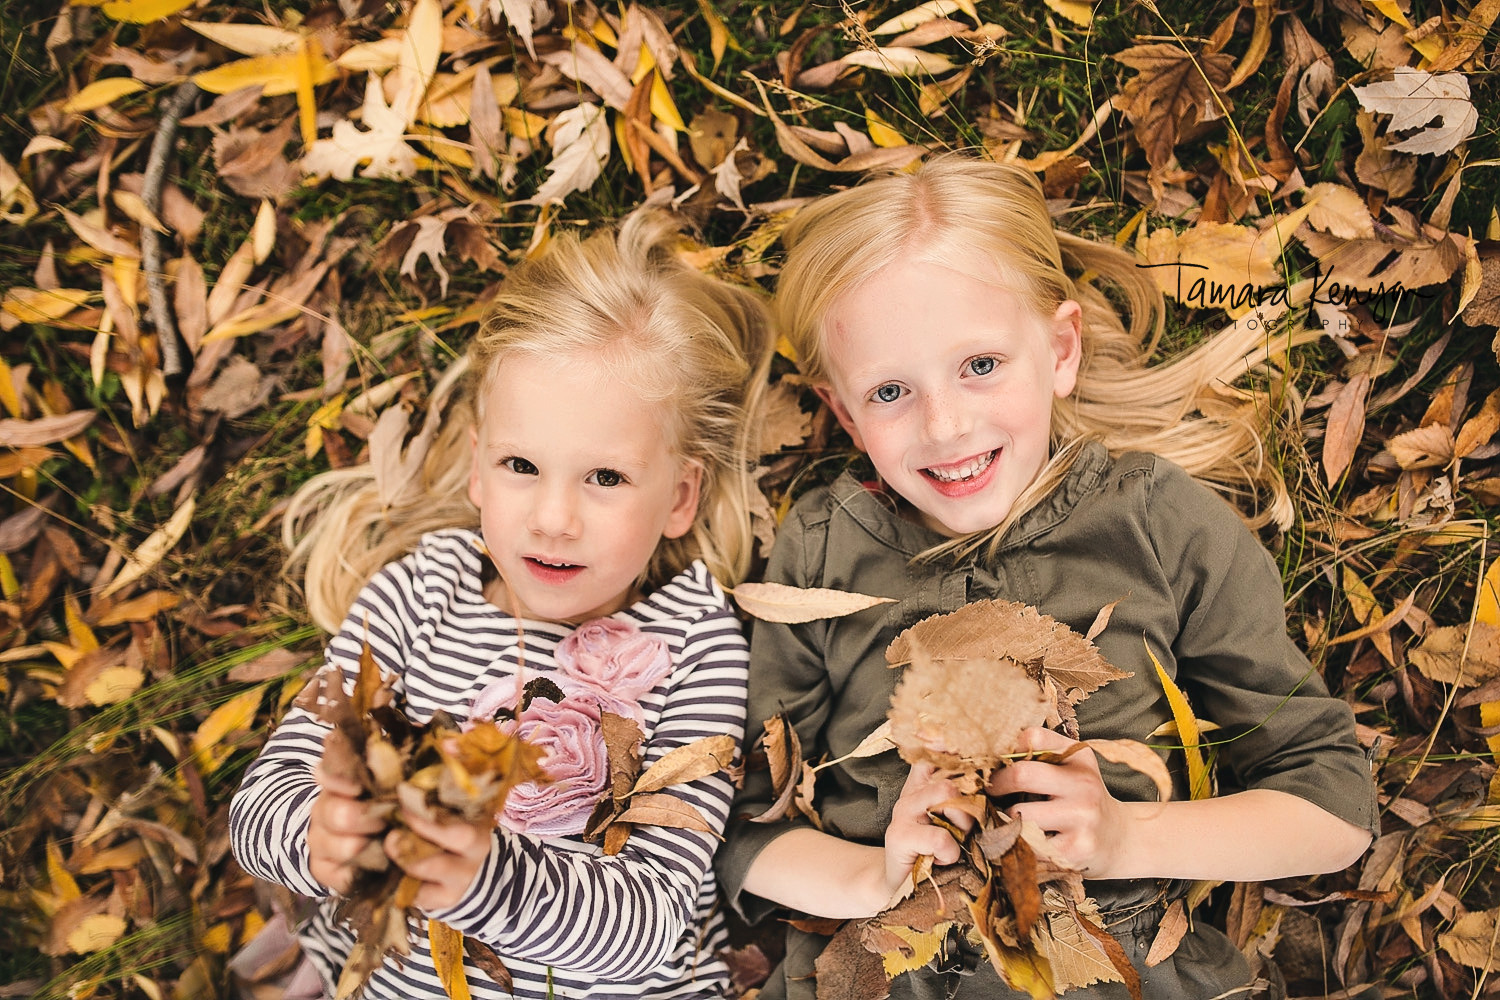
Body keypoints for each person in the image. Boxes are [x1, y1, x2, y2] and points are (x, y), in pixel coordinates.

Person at [716, 156, 1377, 999]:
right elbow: (742, 834)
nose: (945, 424)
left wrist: (1126, 840)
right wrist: (878, 878)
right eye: (890, 391)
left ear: (1059, 350)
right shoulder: (818, 550)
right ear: (843, 411)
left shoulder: (1153, 521)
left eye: (981, 365)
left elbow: (1334, 808)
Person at [230, 210, 773, 1000]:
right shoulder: (422, 594)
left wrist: (488, 878)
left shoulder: (694, 642)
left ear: (681, 496)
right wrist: (316, 838)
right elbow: (263, 801)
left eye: (606, 478)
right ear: (479, 470)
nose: (554, 517)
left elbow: (655, 923)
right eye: (523, 465)